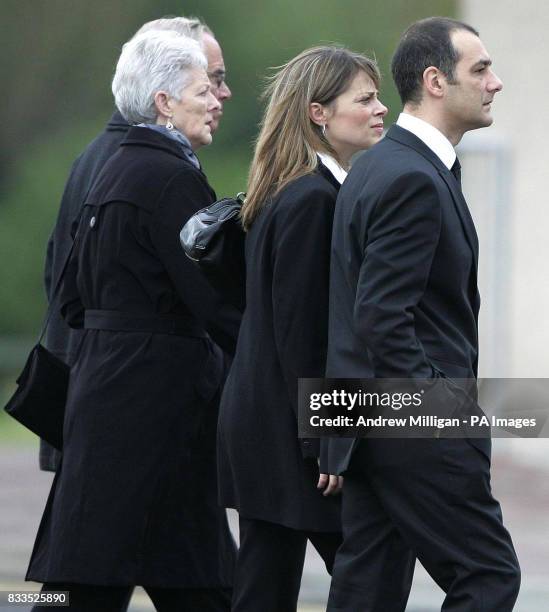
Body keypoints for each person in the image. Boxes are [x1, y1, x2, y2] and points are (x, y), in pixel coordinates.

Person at [26, 30, 240, 612]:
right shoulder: (171, 177)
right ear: (165, 103)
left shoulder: (113, 168)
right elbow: (217, 301)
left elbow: (68, 295)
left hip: (109, 401)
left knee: (85, 579)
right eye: (205, 89)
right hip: (158, 410)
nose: (219, 99)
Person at [325, 17, 520, 611]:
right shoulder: (409, 175)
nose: (495, 83)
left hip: (370, 420)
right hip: (413, 424)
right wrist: (444, 420)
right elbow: (383, 317)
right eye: (480, 69)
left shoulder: (384, 165)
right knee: (487, 576)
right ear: (435, 81)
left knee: (369, 591)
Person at [216, 46, 388, 611]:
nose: (380, 109)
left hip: (267, 421)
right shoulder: (313, 200)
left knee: (267, 580)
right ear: (319, 113)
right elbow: (303, 337)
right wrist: (326, 444)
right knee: (368, 573)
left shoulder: (291, 190)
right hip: (290, 433)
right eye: (364, 99)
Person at [40, 15, 232, 473]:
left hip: (100, 389)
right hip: (137, 397)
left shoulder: (108, 155)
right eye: (208, 83)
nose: (220, 96)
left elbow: (60, 279)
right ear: (163, 93)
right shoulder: (153, 168)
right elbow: (207, 296)